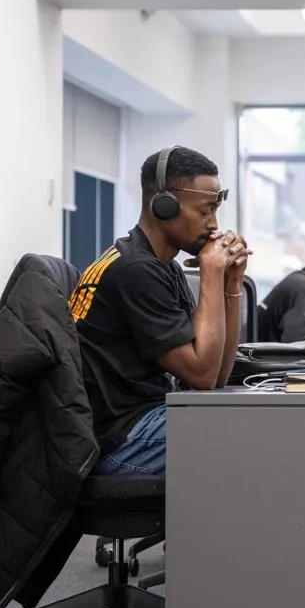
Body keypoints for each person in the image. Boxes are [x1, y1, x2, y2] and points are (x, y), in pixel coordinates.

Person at [71, 146, 251, 475]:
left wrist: (231, 283)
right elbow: (203, 376)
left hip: (141, 421)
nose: (214, 224)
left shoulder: (162, 267)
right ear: (163, 206)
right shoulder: (134, 270)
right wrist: (211, 274)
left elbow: (217, 375)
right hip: (119, 438)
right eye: (206, 211)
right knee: (254, 430)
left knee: (257, 419)